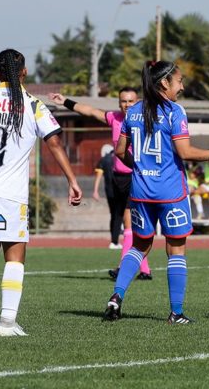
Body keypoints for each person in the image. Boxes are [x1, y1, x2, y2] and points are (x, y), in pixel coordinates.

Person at [103, 60, 209, 323]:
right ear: (164, 83)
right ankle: (176, 312)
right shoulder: (174, 111)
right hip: (170, 193)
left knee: (140, 246)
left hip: (141, 192)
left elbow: (119, 152)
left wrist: (139, 166)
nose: (182, 87)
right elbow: (185, 153)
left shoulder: (133, 112)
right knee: (176, 250)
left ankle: (116, 297)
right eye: (180, 81)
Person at [0, 49, 82, 336]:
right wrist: (72, 180)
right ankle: (6, 322)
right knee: (15, 257)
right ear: (24, 72)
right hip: (8, 192)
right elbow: (54, 144)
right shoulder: (33, 105)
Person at [49, 87, 152, 280]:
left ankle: (123, 267)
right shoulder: (114, 118)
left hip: (135, 177)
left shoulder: (142, 120)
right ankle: (145, 270)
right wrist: (65, 102)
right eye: (123, 101)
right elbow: (89, 111)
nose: (127, 104)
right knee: (128, 224)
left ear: (137, 102)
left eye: (131, 101)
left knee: (129, 224)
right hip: (117, 177)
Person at [93, 144, 121, 247]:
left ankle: (113, 240)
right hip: (120, 190)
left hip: (109, 191)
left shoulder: (103, 160)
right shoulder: (119, 157)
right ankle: (115, 241)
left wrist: (95, 191)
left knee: (113, 215)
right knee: (119, 216)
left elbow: (98, 176)